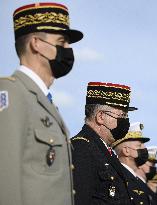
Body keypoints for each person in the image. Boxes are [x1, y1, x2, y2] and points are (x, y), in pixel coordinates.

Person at [0, 2, 83, 205]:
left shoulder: (46, 103)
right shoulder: (12, 93)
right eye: (62, 42)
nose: (68, 50)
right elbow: (5, 179)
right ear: (36, 43)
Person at [71, 82, 137, 205]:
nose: (125, 121)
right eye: (122, 115)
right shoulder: (82, 149)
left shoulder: (106, 151)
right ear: (101, 117)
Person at [112, 122, 151, 204]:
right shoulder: (116, 178)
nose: (144, 149)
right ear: (126, 151)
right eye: (139, 146)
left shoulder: (140, 183)